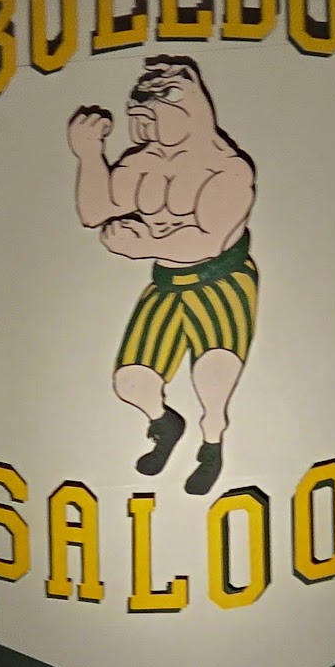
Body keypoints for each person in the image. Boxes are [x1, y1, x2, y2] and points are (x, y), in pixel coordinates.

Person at [69, 57, 257, 498]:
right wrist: (89, 155)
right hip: (167, 282)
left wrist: (142, 245)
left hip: (222, 280)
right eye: (142, 103)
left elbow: (209, 240)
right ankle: (164, 423)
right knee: (131, 380)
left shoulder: (228, 168)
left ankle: (212, 445)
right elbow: (94, 210)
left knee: (213, 377)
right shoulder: (141, 163)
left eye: (160, 100)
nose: (146, 116)